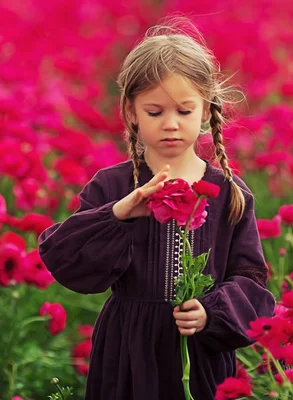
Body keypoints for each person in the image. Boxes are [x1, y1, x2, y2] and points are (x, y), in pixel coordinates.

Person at [39, 17, 275, 400]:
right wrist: (117, 213)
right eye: (154, 112)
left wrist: (211, 312)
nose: (170, 124)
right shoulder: (111, 186)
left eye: (183, 111)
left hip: (199, 352)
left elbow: (252, 280)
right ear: (131, 112)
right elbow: (64, 259)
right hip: (127, 352)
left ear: (205, 111)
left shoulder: (229, 192)